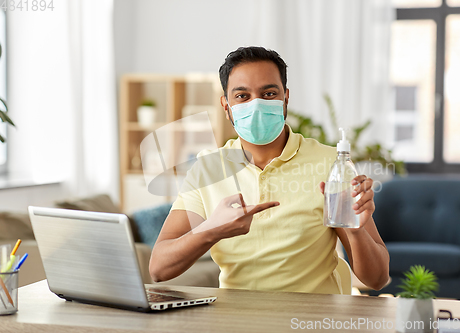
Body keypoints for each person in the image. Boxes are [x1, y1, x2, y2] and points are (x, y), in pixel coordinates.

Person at [149, 46, 389, 294]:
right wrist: (212, 230)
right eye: (242, 96)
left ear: (285, 97)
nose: (256, 105)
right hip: (238, 315)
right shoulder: (207, 168)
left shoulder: (331, 165)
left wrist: (356, 231)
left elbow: (377, 279)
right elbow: (159, 269)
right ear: (226, 105)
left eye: (269, 93)